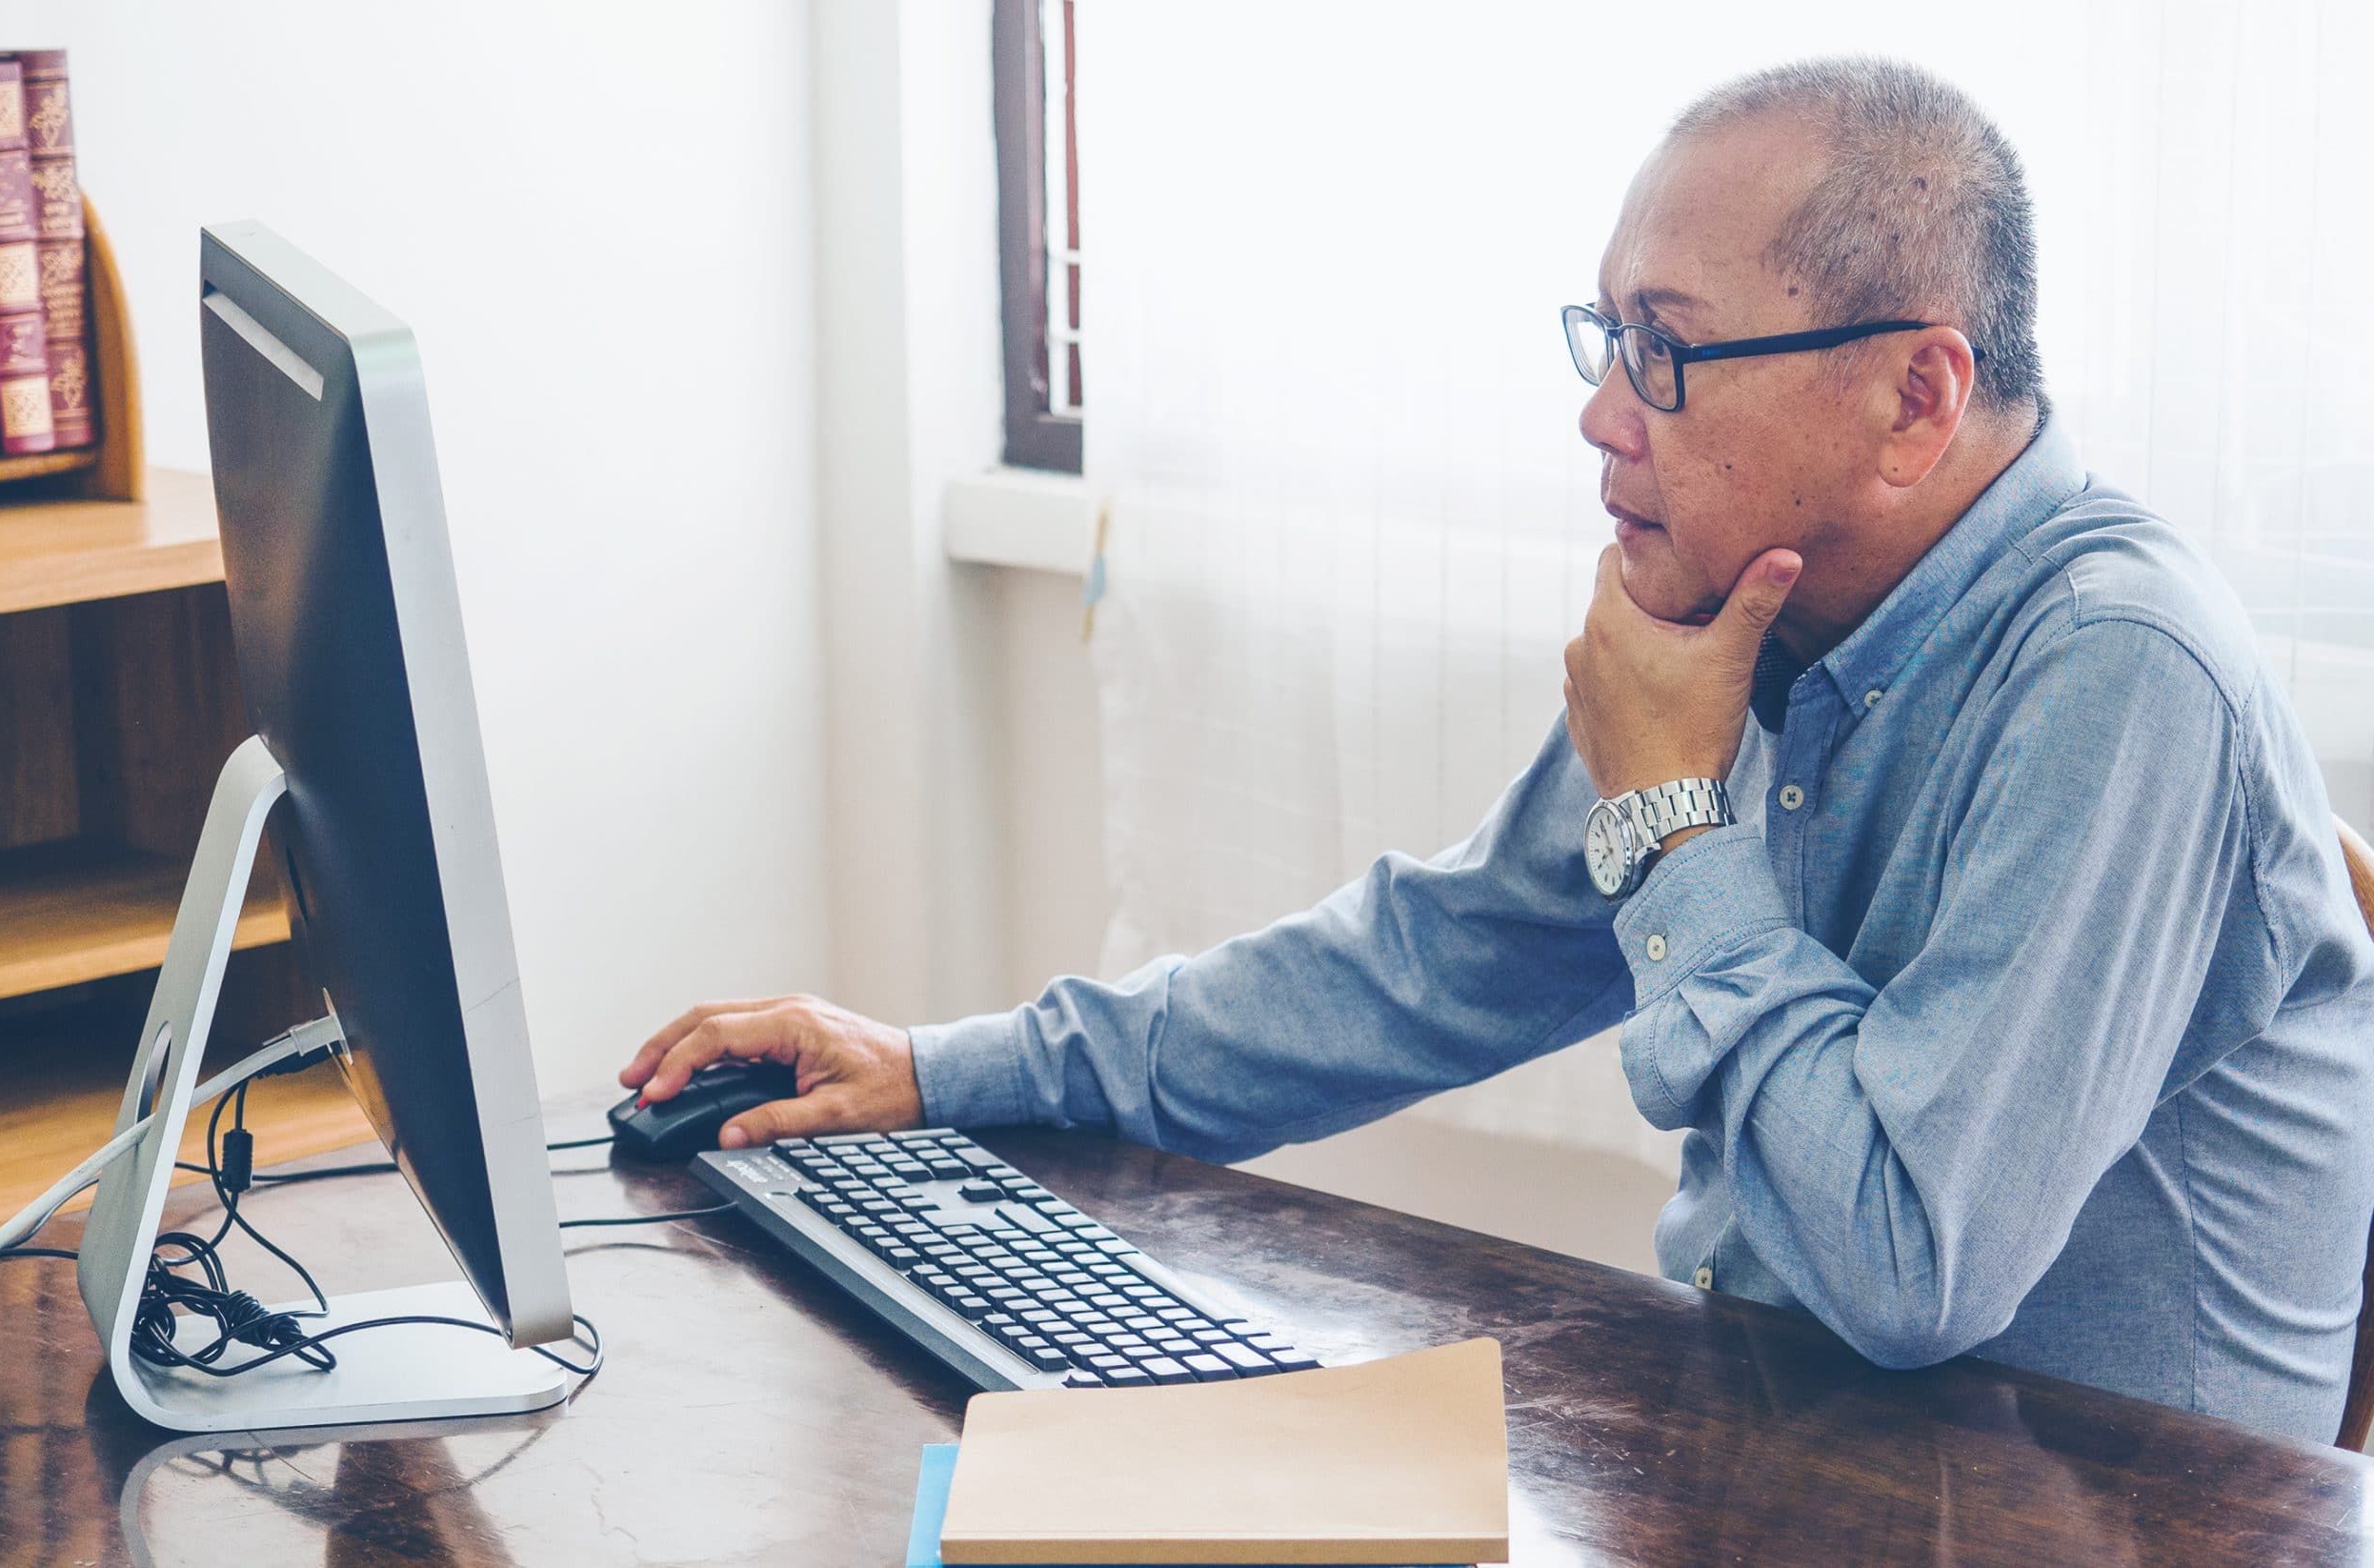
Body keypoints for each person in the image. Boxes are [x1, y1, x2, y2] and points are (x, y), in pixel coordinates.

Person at [620, 57, 2374, 1443]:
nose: (1604, 412)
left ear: (1917, 395)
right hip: (1793, 1456)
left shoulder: (2122, 678)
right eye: (1611, 335)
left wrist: (1678, 825)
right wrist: (943, 1067)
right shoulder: (1751, 614)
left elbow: (1913, 1264)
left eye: (1670, 354)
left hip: (2100, 1513)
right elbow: (1425, 962)